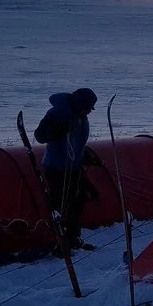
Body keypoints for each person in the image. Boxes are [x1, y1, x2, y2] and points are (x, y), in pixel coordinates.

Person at [35, 87, 100, 251]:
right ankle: (56, 241)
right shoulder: (57, 113)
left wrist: (85, 157)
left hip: (74, 166)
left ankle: (73, 238)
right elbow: (40, 135)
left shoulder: (80, 116)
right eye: (88, 108)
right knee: (60, 205)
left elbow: (76, 143)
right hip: (57, 167)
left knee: (78, 201)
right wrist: (58, 130)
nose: (89, 112)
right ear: (79, 105)